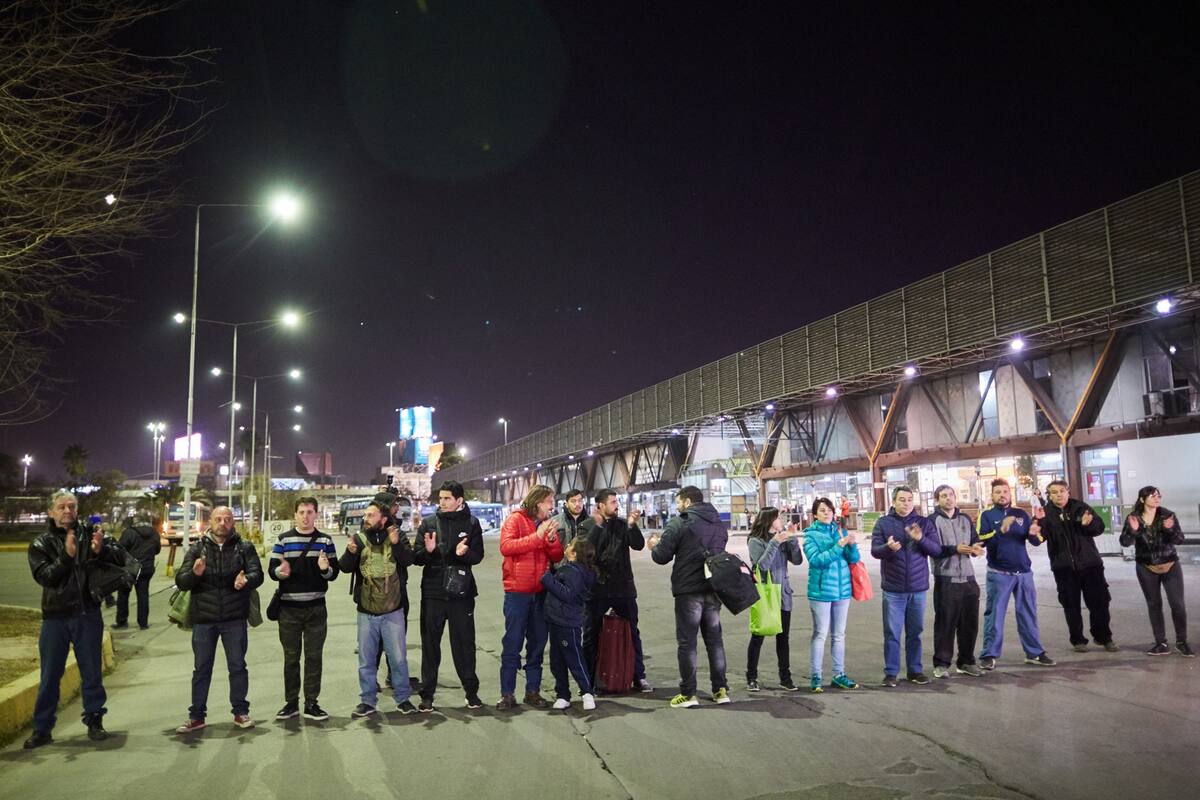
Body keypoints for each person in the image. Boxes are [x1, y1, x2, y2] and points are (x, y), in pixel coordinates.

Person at [24, 491, 122, 748]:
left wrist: (101, 551)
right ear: (51, 512)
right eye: (61, 507)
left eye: (72, 506)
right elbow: (45, 577)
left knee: (91, 674)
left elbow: (118, 560)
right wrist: (67, 557)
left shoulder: (90, 535)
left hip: (87, 614)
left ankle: (94, 721)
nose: (67, 510)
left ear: (77, 510)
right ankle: (42, 729)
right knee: (49, 676)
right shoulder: (40, 544)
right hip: (55, 618)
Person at [174, 506, 265, 734]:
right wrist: (194, 573)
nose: (222, 523)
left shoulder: (244, 548)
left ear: (233, 522)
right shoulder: (198, 548)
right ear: (210, 522)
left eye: (227, 519)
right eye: (218, 519)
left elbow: (258, 574)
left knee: (237, 666)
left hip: (234, 618)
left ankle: (240, 712)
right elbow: (182, 581)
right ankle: (196, 716)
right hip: (204, 620)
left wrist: (246, 580)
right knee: (201, 669)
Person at [649, 486, 730, 708]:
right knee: (714, 641)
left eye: (678, 502)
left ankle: (688, 693)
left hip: (688, 591)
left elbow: (661, 557)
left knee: (687, 643)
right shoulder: (718, 522)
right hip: (713, 588)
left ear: (686, 501)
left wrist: (654, 545)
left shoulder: (680, 522)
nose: (677, 506)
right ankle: (720, 690)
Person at [339, 499, 416, 717]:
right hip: (366, 610)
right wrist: (350, 553)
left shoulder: (397, 536)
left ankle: (403, 699)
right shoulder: (359, 539)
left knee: (398, 658)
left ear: (383, 519)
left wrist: (397, 544)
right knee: (366, 660)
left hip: (393, 610)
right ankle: (368, 700)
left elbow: (409, 561)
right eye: (365, 515)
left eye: (370, 515)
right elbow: (345, 568)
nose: (366, 518)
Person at [413, 480, 485, 711]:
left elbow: (478, 556)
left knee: (465, 644)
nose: (442, 502)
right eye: (440, 498)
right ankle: (427, 696)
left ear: (459, 501)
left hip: (461, 594)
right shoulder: (429, 523)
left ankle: (471, 692)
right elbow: (416, 557)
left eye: (447, 498)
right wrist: (429, 551)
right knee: (430, 645)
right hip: (433, 593)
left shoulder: (472, 523)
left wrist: (465, 553)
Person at [268, 496, 339, 722]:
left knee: (313, 657)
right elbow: (272, 570)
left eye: (310, 512)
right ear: (295, 514)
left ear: (316, 514)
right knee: (291, 658)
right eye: (301, 512)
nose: (305, 516)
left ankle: (311, 703)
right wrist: (281, 572)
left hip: (316, 609)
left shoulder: (326, 542)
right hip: (288, 610)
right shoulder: (283, 541)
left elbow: (334, 573)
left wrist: (325, 569)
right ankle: (291, 703)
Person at [496, 484, 564, 710]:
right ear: (538, 503)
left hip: (540, 592)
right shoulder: (515, 520)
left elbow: (557, 556)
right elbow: (506, 547)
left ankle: (532, 692)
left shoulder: (545, 524)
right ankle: (507, 694)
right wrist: (537, 537)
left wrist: (552, 540)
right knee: (512, 644)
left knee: (536, 645)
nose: (552, 506)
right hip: (517, 593)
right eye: (549, 502)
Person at [977, 478, 1055, 669]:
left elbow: (1035, 540)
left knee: (1028, 614)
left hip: (1024, 574)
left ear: (1010, 494)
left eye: (1005, 491)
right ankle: (989, 655)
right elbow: (980, 539)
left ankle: (1034, 653)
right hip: (999, 573)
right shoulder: (986, 515)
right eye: (997, 492)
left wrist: (1036, 532)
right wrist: (1000, 530)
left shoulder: (1021, 514)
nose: (1002, 495)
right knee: (994, 615)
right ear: (992, 495)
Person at [870, 486, 943, 687]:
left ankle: (915, 670)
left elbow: (936, 550)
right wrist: (888, 547)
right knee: (892, 632)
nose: (906, 503)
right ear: (893, 502)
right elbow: (875, 551)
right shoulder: (884, 523)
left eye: (910, 499)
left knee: (915, 632)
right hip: (893, 589)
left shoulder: (924, 523)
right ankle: (891, 672)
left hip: (918, 588)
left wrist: (920, 539)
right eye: (902, 499)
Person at [584, 489, 652, 692]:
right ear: (600, 506)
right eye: (613, 502)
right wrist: (598, 526)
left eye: (617, 501)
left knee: (632, 633)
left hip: (623, 588)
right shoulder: (588, 526)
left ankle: (638, 676)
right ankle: (589, 679)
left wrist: (632, 525)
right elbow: (587, 550)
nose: (617, 505)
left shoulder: (623, 524)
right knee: (590, 634)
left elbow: (639, 545)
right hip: (598, 589)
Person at [1037, 480, 1117, 653]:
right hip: (1064, 568)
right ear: (1049, 495)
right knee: (1071, 605)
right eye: (1054, 492)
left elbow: (1099, 528)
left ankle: (1104, 637)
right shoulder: (1045, 513)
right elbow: (1038, 538)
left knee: (1100, 603)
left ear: (1068, 491)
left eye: (1061, 491)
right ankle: (1078, 640)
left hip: (1090, 565)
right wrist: (1036, 529)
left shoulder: (1080, 507)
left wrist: (1089, 524)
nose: (1058, 494)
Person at [1120, 486, 1192, 656]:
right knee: (1154, 605)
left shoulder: (1168, 515)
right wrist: (1134, 530)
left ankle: (1182, 641)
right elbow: (1124, 542)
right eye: (1152, 496)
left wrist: (1170, 529)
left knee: (1178, 604)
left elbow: (1180, 539)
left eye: (1158, 495)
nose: (1156, 498)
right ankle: (1161, 643)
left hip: (1170, 565)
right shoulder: (1133, 517)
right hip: (1146, 567)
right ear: (1142, 499)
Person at [803, 497, 860, 693]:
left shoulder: (840, 531)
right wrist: (839, 545)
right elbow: (817, 560)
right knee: (820, 634)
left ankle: (839, 674)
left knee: (839, 635)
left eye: (829, 510)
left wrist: (851, 545)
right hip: (820, 592)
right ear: (815, 515)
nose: (827, 513)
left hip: (843, 591)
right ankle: (816, 676)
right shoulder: (810, 535)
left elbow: (854, 559)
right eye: (822, 510)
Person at [928, 485, 984, 678]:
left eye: (951, 495)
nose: (949, 499)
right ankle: (941, 664)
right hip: (946, 579)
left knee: (970, 623)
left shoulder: (965, 518)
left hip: (969, 579)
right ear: (937, 500)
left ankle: (967, 661)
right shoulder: (932, 521)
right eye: (944, 496)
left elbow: (975, 540)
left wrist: (976, 548)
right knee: (946, 623)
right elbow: (933, 549)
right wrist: (954, 549)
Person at [745, 507, 803, 692]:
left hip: (783, 594)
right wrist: (775, 543)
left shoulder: (782, 538)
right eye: (778, 517)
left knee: (783, 638)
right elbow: (761, 566)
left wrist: (792, 540)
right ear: (770, 520)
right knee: (758, 636)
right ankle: (751, 677)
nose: (781, 520)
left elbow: (797, 561)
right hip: (765, 594)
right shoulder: (755, 540)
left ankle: (785, 678)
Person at [541, 538, 599, 710]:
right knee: (556, 660)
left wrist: (547, 579)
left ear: (574, 553)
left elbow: (567, 594)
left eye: (570, 546)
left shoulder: (574, 572)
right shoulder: (572, 569)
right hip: (557, 620)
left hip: (567, 623)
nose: (566, 547)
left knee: (574, 658)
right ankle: (563, 694)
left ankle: (587, 692)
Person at [114, 515, 161, 630]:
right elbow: (157, 550)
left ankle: (122, 621)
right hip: (147, 568)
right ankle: (143, 623)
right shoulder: (154, 533)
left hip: (130, 569)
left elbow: (120, 549)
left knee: (123, 594)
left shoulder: (129, 533)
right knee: (143, 595)